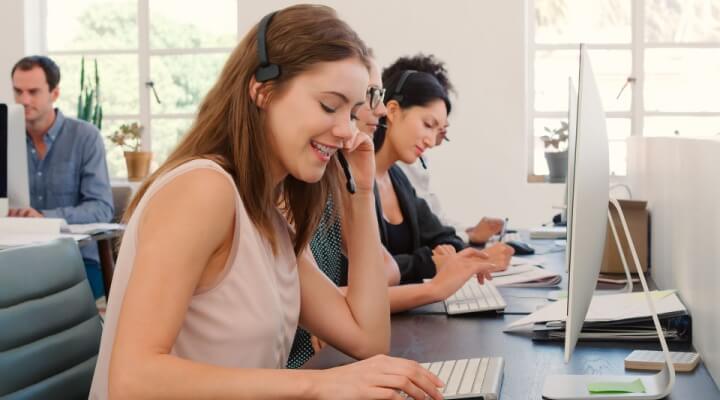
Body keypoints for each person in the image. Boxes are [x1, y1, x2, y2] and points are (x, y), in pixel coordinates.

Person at [90, 5, 444, 399]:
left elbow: (367, 337)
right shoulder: (203, 190)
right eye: (330, 105)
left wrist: (362, 192)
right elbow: (132, 379)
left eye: (353, 111)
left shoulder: (266, 214)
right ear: (262, 89)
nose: (346, 131)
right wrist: (316, 385)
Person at [287, 53, 504, 368]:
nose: (376, 110)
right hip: (312, 363)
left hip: (328, 359)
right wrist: (431, 279)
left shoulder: (374, 179)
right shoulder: (323, 186)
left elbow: (384, 273)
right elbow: (358, 290)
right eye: (336, 104)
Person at [373, 54, 514, 285]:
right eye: (428, 125)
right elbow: (367, 271)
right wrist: (432, 262)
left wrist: (449, 255)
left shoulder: (397, 179)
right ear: (393, 110)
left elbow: (445, 236)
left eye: (437, 131)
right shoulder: (353, 181)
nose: (430, 140)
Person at [10, 55, 114, 299]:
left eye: (33, 92)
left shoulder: (85, 137)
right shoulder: (5, 136)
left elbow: (101, 208)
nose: (24, 100)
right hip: (17, 259)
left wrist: (44, 218)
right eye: (18, 91)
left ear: (54, 93)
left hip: (76, 261)